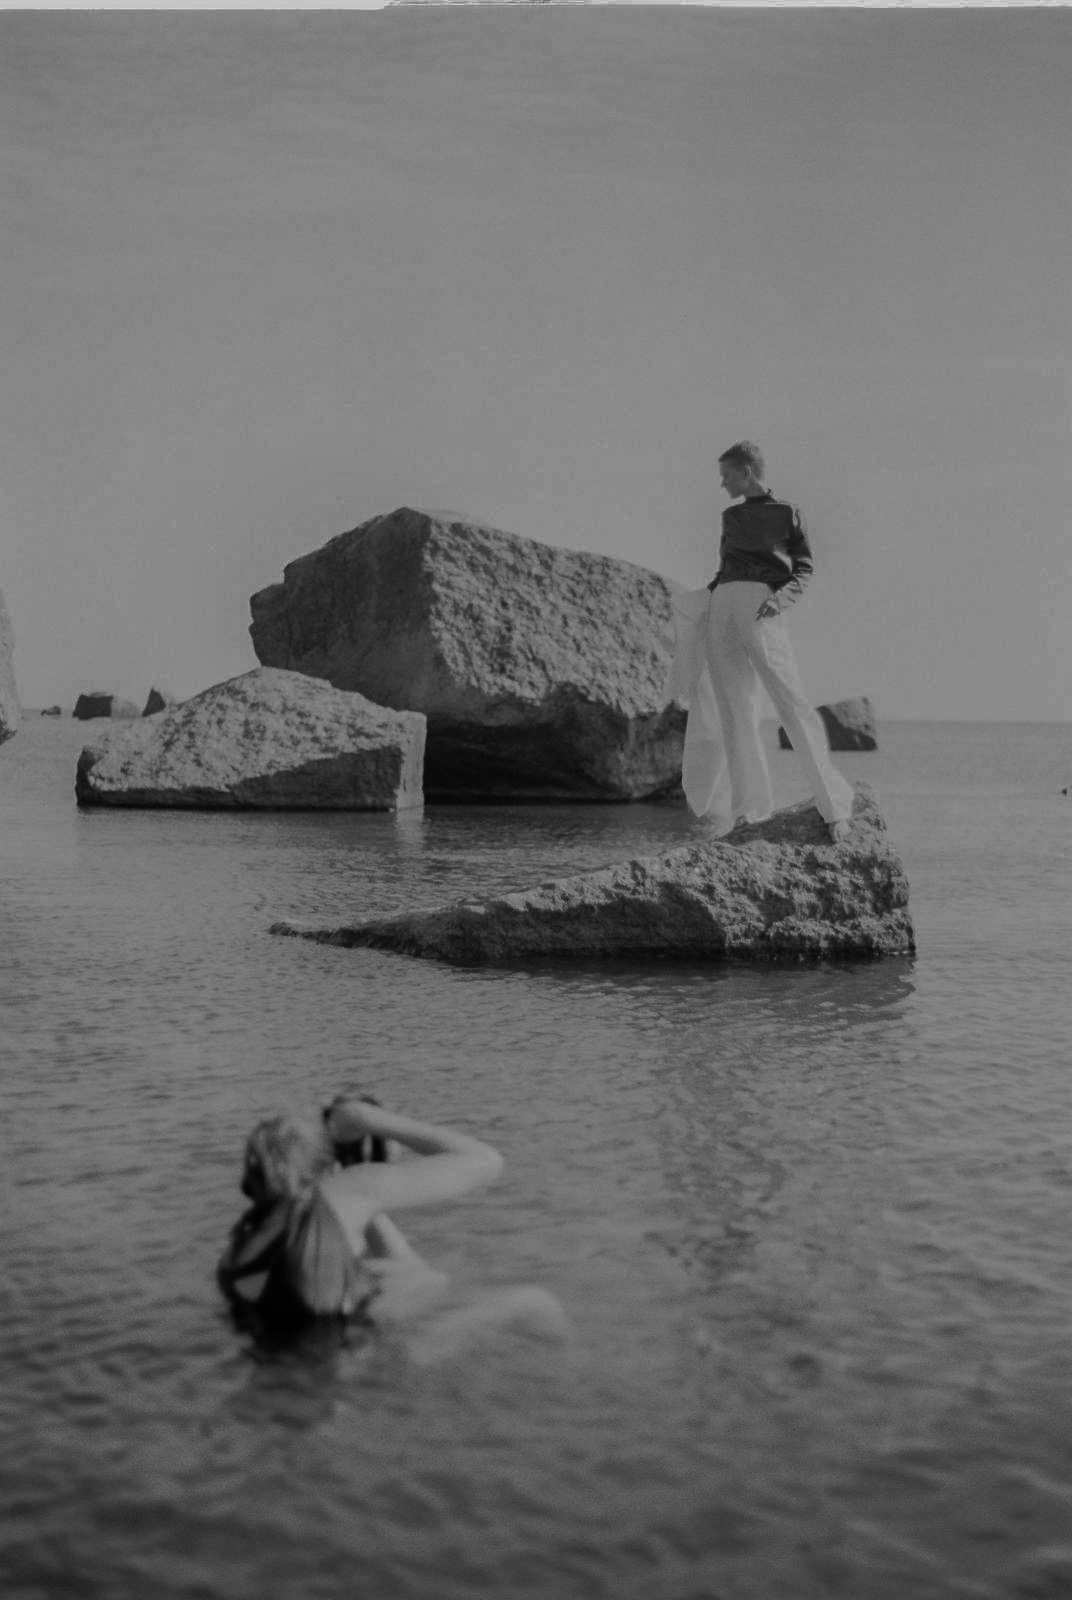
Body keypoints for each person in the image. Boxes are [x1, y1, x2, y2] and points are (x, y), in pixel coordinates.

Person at [217, 1092, 567, 1361]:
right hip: (376, 1361)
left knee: (429, 1279)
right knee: (536, 1301)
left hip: (299, 1364)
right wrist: (367, 1118)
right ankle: (570, 1373)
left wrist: (365, 1195)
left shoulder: (245, 1236)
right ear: (327, 1169)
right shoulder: (345, 1191)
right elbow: (488, 1161)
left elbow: (406, 1268)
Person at [679, 440, 854, 840]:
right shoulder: (730, 516)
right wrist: (701, 602)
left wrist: (780, 600)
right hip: (723, 606)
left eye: (727, 475)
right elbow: (724, 569)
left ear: (747, 472)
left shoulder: (786, 513)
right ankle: (749, 809)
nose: (722, 484)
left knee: (790, 702)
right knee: (734, 710)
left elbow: (804, 568)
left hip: (762, 605)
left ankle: (832, 807)